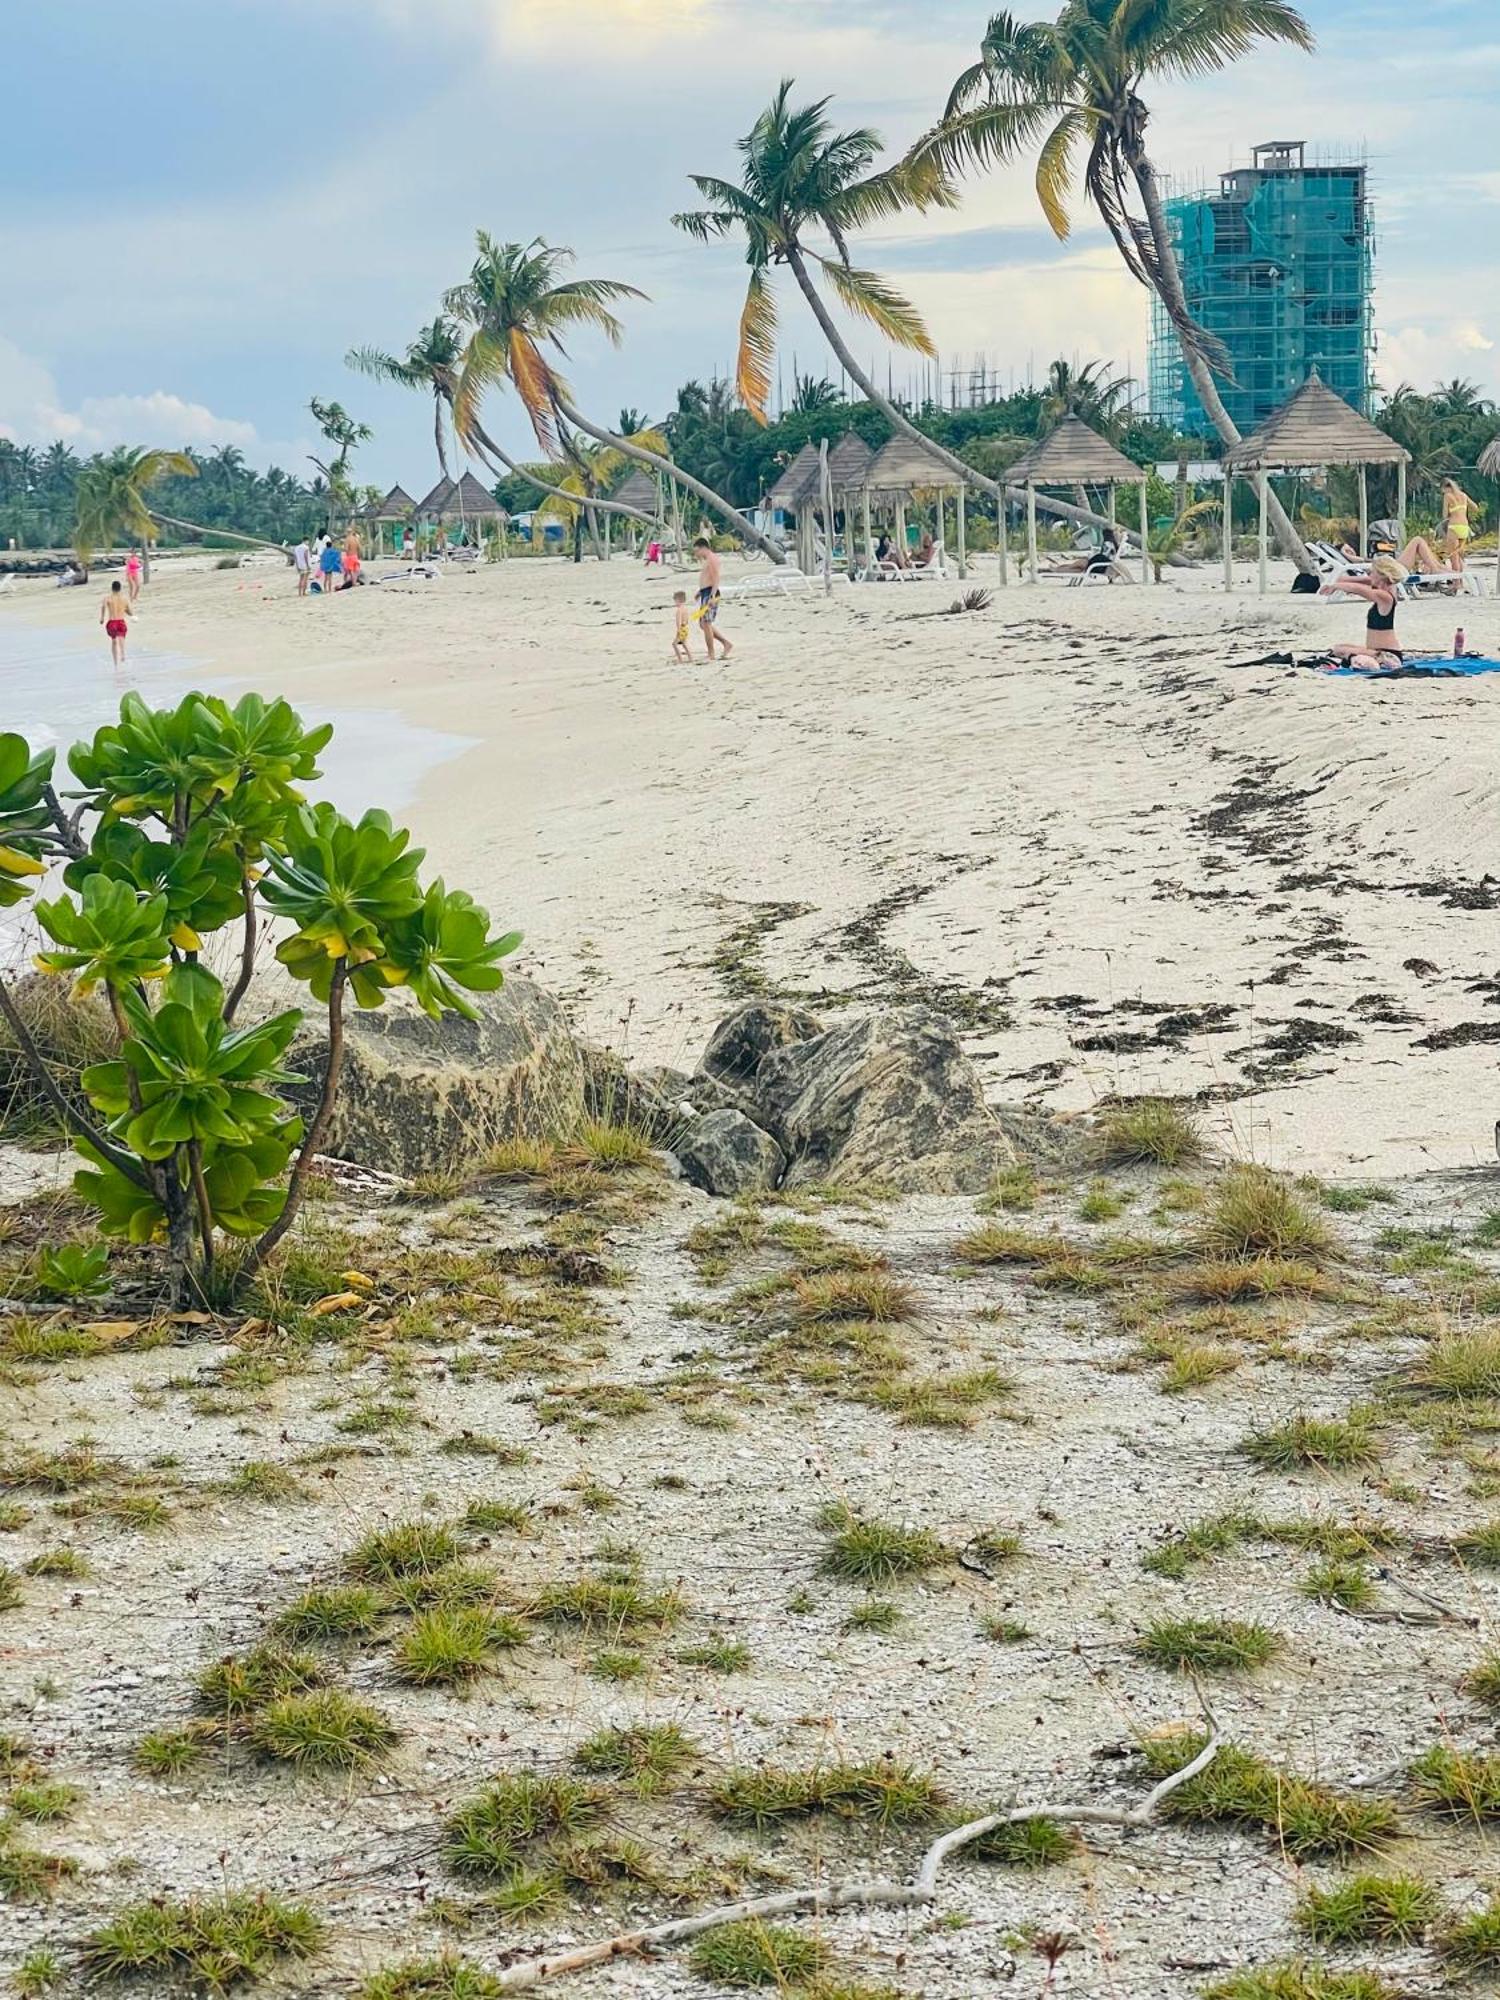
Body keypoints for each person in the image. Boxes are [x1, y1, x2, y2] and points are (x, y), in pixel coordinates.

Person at [1320, 553, 1406, 668]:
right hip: (1376, 651)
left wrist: (1336, 586)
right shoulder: (1387, 588)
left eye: (1372, 572)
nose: (1370, 575)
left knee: (1341, 651)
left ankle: (1360, 660)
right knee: (1337, 648)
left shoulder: (1386, 597)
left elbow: (1359, 589)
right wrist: (1334, 581)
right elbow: (1365, 580)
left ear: (1381, 575)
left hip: (1387, 655)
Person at [693, 537, 733, 662]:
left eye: (697, 551)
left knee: (706, 623)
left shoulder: (712, 559)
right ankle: (726, 643)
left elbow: (716, 578)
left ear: (703, 548)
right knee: (703, 624)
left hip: (711, 593)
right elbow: (708, 577)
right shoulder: (708, 560)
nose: (696, 554)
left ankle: (711, 653)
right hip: (706, 592)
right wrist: (700, 591)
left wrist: (712, 596)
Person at [1441, 479, 1475, 571]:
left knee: (1453, 556)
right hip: (1464, 527)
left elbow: (1444, 514)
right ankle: (1460, 581)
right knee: (1460, 555)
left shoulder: (1447, 496)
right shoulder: (1463, 495)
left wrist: (1450, 513)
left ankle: (1456, 582)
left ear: (1446, 488)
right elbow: (1475, 507)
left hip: (1454, 526)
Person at [99, 578, 131, 666]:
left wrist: (102, 618)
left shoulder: (107, 598)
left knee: (114, 641)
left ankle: (115, 663)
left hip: (112, 622)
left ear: (112, 588)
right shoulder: (124, 599)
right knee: (121, 638)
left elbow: (103, 607)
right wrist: (130, 614)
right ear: (120, 588)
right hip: (121, 621)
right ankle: (123, 654)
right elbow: (129, 611)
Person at [669, 591, 694, 664]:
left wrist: (678, 630)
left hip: (681, 629)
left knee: (674, 644)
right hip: (685, 628)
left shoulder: (679, 610)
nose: (675, 603)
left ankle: (680, 659)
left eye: (675, 601)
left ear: (678, 600)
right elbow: (687, 620)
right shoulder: (685, 609)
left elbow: (678, 621)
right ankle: (690, 658)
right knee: (684, 643)